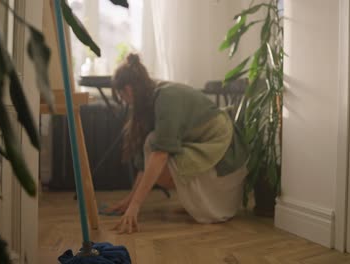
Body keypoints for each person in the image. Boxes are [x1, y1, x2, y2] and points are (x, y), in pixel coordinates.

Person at [104, 53, 248, 234]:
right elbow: (145, 163)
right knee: (152, 144)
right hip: (208, 146)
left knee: (154, 146)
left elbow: (159, 155)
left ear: (128, 90)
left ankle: (202, 203)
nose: (123, 101)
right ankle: (194, 202)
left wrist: (135, 206)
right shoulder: (152, 99)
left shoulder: (166, 97)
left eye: (121, 95)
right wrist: (129, 201)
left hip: (222, 151)